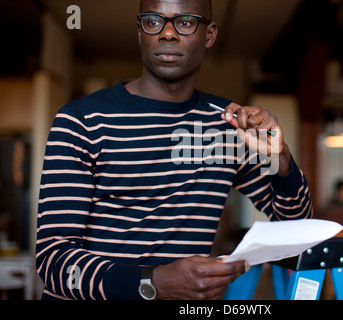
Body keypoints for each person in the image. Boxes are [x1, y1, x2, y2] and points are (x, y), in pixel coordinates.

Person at [35, 0, 313, 300]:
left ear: (210, 34)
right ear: (140, 32)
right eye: (154, 21)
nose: (167, 33)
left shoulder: (228, 125)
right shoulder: (81, 120)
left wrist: (280, 158)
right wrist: (153, 283)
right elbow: (53, 260)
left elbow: (295, 228)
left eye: (185, 21)